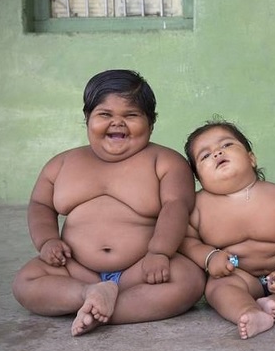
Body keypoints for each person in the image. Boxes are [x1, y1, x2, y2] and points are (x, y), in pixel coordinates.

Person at [12, 69, 205, 336]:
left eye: (131, 115)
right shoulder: (62, 164)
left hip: (142, 268)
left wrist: (160, 252)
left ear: (151, 123)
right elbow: (40, 205)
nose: (117, 123)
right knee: (26, 282)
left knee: (189, 279)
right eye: (105, 114)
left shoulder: (166, 162)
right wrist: (47, 241)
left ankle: (99, 310)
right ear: (87, 118)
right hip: (76, 270)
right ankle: (89, 294)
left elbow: (177, 206)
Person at [180, 120, 275, 339]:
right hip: (238, 275)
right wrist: (209, 257)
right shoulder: (197, 207)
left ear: (251, 158)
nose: (217, 153)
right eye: (205, 155)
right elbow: (187, 241)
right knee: (217, 288)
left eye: (226, 145)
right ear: (199, 178)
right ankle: (248, 311)